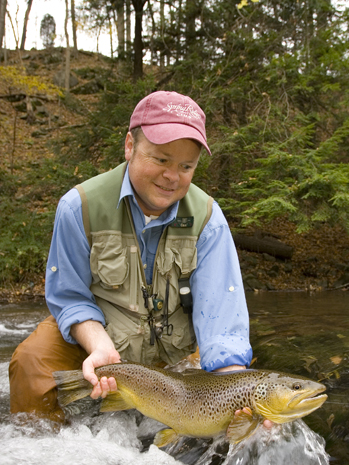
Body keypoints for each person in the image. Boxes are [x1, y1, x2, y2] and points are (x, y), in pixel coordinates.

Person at [9, 90, 253, 424]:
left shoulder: (209, 220)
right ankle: (44, 457)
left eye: (186, 166)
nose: (172, 176)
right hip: (98, 340)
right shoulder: (78, 208)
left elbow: (221, 320)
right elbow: (69, 297)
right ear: (129, 146)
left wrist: (235, 388)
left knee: (234, 399)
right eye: (161, 159)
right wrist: (99, 346)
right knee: (31, 361)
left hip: (174, 355)